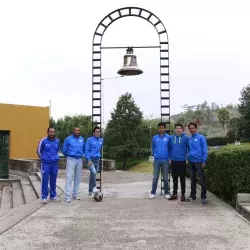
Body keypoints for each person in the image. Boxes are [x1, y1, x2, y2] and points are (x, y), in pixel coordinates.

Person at [37, 127, 60, 204]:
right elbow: (38, 151)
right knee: (45, 180)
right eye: (50, 132)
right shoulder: (43, 141)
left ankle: (53, 196)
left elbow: (57, 150)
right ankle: (44, 197)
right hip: (46, 164)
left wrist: (54, 158)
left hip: (54, 164)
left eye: (53, 132)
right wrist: (44, 159)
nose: (52, 133)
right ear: (47, 132)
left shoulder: (57, 141)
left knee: (53, 180)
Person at [149, 122, 171, 199]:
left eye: (162, 128)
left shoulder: (168, 137)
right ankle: (153, 193)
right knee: (155, 177)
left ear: (165, 128)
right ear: (158, 129)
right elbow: (153, 147)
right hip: (157, 160)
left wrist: (169, 158)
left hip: (165, 160)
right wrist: (155, 155)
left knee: (165, 178)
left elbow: (170, 148)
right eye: (160, 128)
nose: (161, 129)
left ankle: (167, 193)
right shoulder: (155, 138)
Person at [62, 127, 85, 203]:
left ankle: (75, 194)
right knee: (69, 177)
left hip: (79, 159)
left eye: (78, 130)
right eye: (76, 130)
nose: (77, 131)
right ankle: (67, 196)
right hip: (71, 159)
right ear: (73, 131)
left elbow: (84, 149)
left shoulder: (82, 139)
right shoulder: (68, 139)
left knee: (78, 177)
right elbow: (64, 150)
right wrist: (68, 155)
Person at [187, 122, 208, 204]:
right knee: (192, 180)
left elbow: (205, 150)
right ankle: (193, 196)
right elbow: (188, 150)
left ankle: (203, 197)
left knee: (202, 180)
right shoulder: (189, 139)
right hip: (191, 162)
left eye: (193, 128)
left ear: (196, 128)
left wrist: (204, 161)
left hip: (199, 162)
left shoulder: (201, 138)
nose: (191, 129)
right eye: (190, 128)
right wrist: (187, 158)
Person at [168, 123, 189, 202]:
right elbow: (169, 149)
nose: (178, 129)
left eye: (180, 128)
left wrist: (187, 158)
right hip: (174, 161)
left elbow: (189, 149)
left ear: (182, 129)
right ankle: (175, 194)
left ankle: (183, 195)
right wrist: (169, 158)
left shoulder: (186, 138)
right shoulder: (171, 138)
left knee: (182, 179)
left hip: (182, 161)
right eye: (176, 128)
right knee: (175, 179)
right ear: (174, 129)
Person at [85, 126, 103, 196]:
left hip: (97, 160)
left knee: (93, 175)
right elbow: (86, 150)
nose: (97, 133)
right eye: (96, 132)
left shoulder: (101, 140)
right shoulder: (89, 140)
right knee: (93, 172)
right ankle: (94, 187)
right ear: (93, 133)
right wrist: (88, 159)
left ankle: (90, 191)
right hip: (90, 160)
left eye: (99, 132)